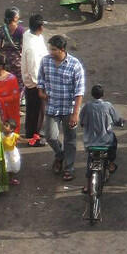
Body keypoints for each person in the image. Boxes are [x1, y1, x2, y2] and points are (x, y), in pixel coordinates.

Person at [37, 34, 86, 181]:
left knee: (70, 140)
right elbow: (41, 78)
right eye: (50, 49)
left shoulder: (75, 65)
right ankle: (60, 155)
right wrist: (41, 91)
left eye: (54, 49)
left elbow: (79, 92)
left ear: (62, 49)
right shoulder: (45, 61)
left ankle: (69, 168)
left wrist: (75, 114)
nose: (50, 52)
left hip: (68, 109)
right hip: (52, 107)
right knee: (50, 136)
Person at [80, 85, 122, 173]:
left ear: (92, 94)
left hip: (90, 140)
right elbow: (117, 119)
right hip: (106, 140)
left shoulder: (87, 106)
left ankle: (88, 183)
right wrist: (120, 122)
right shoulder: (108, 105)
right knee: (114, 142)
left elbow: (82, 121)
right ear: (102, 94)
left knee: (90, 158)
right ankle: (110, 162)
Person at [21, 14, 47, 139]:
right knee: (35, 112)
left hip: (36, 81)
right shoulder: (31, 48)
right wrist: (41, 87)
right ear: (40, 27)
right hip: (35, 84)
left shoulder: (30, 35)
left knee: (34, 111)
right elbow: (33, 69)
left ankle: (32, 132)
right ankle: (33, 135)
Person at [0, 8, 25, 96]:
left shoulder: (2, 29)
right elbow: (23, 46)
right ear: (15, 18)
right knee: (19, 80)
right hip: (18, 60)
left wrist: (3, 52)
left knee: (7, 78)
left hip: (6, 59)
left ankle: (8, 94)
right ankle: (19, 97)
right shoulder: (21, 30)